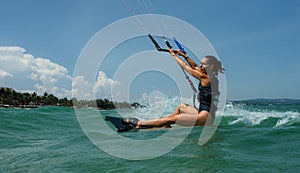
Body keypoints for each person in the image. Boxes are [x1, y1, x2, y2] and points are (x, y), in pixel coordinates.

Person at [105, 48, 224, 132]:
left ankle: (139, 124)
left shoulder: (206, 78)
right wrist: (184, 55)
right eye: (201, 64)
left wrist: (173, 55)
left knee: (172, 119)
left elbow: (187, 67)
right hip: (201, 112)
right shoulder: (207, 75)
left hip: (206, 118)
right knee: (181, 106)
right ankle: (164, 125)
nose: (201, 66)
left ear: (212, 66)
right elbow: (194, 66)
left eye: (204, 65)